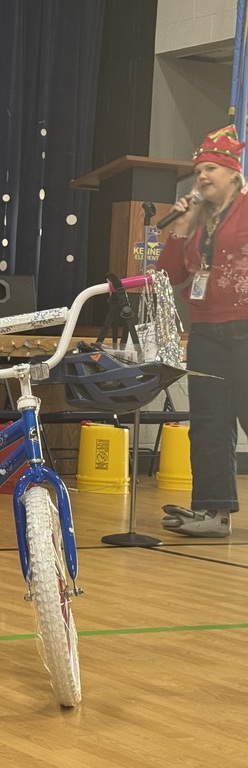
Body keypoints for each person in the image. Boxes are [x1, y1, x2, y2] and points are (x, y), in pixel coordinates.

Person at [157, 124, 248, 538]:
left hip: (245, 326)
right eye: (198, 171)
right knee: (209, 421)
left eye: (211, 168)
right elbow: (167, 276)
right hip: (207, 332)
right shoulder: (195, 219)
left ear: (233, 172)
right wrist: (183, 224)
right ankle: (215, 513)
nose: (203, 177)